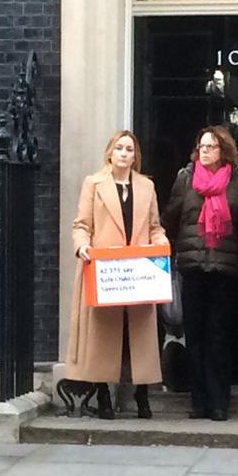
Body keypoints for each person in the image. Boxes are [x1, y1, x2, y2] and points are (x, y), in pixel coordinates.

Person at [68, 130, 169, 419]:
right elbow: (81, 224)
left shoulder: (146, 186)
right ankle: (103, 395)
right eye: (120, 148)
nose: (125, 153)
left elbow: (154, 226)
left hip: (138, 270)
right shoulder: (94, 184)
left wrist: (160, 240)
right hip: (106, 269)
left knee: (136, 334)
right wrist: (82, 246)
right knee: (104, 333)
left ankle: (142, 394)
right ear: (110, 152)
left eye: (130, 149)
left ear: (136, 156)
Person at [162, 126, 238, 421]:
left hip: (226, 270)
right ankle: (198, 400)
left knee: (219, 336)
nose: (205, 151)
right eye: (201, 146)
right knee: (196, 336)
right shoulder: (186, 179)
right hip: (192, 267)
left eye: (211, 146)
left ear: (224, 150)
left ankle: (219, 402)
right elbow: (170, 219)